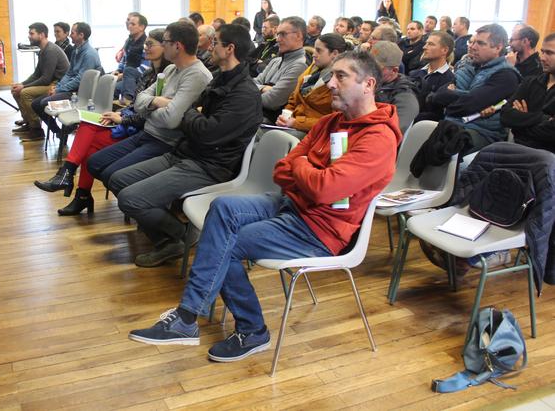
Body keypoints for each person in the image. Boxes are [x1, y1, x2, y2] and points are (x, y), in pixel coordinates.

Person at [127, 50, 401, 361]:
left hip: (320, 229)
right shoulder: (330, 122)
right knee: (223, 208)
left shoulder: (378, 138)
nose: (331, 83)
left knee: (225, 244)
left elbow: (326, 189)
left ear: (368, 84)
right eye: (332, 74)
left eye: (341, 76)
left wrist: (306, 169)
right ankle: (189, 318)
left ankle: (245, 328)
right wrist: (310, 171)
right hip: (292, 204)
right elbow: (281, 169)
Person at [111, 24, 262, 267]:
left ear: (230, 49)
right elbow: (190, 118)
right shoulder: (221, 79)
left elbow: (206, 131)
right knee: (118, 179)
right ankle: (170, 234)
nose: (210, 46)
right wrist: (190, 113)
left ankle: (177, 237)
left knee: (130, 198)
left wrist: (188, 112)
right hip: (187, 153)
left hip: (210, 167)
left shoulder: (243, 94)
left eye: (216, 43)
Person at [33, 29, 172, 215]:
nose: (145, 48)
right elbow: (137, 105)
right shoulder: (147, 75)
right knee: (89, 131)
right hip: (131, 126)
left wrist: (122, 118)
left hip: (143, 134)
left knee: (89, 137)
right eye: (145, 44)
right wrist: (120, 114)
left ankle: (70, 179)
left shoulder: (168, 77)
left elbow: (150, 113)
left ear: (165, 47)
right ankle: (78, 190)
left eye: (150, 44)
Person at [87, 21, 212, 190]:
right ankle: (132, 194)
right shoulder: (170, 70)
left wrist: (148, 108)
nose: (163, 45)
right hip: (147, 132)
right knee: (94, 163)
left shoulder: (197, 75)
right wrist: (157, 101)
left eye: (165, 42)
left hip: (166, 141)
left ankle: (135, 199)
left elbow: (171, 120)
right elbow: (139, 100)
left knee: (112, 175)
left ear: (177, 46)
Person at [429, 24, 520, 154]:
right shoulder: (469, 67)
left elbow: (469, 104)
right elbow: (440, 95)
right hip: (454, 124)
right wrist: (466, 96)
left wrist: (453, 99)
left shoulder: (506, 75)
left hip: (482, 133)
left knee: (447, 146)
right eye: (473, 42)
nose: (472, 47)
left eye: (480, 43)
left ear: (498, 48)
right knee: (423, 131)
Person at [28, 22, 102, 142]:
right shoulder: (76, 51)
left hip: (79, 93)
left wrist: (59, 89)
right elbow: (69, 73)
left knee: (43, 103)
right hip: (70, 89)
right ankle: (59, 132)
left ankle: (65, 130)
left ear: (81, 35)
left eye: (72, 33)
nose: (70, 35)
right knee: (36, 104)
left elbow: (80, 79)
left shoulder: (89, 54)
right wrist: (57, 86)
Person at [272, 33, 346, 137]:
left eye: (319, 51)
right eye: (315, 49)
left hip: (316, 133)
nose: (313, 54)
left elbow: (335, 120)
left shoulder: (340, 82)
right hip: (292, 124)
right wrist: (285, 115)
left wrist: (297, 123)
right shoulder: (312, 68)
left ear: (334, 53)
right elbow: (293, 99)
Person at [11, 23, 70, 140]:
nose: (29, 36)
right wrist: (21, 84)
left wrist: (24, 87)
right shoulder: (43, 49)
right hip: (51, 83)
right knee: (15, 90)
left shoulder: (50, 50)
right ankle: (29, 124)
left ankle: (37, 129)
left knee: (25, 93)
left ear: (42, 35)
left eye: (32, 33)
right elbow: (37, 74)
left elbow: (46, 79)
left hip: (57, 85)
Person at [501, 32, 555, 152]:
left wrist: (520, 124)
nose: (542, 57)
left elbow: (552, 134)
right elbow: (505, 115)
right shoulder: (531, 82)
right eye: (542, 51)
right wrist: (544, 119)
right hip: (518, 149)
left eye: (550, 53)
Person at [253, 16, 308, 123]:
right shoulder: (275, 61)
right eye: (278, 34)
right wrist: (264, 88)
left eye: (283, 34)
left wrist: (244, 95)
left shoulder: (300, 66)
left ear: (298, 36)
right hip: (256, 115)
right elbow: (251, 83)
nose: (277, 39)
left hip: (268, 122)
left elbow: (272, 101)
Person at [371, 41, 419, 134]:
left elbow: (394, 131)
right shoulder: (372, 83)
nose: (370, 70)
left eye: (376, 68)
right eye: (368, 64)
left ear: (394, 70)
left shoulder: (405, 96)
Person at [411, 30, 456, 122]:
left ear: (444, 50)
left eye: (430, 44)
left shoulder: (450, 80)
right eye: (426, 43)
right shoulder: (414, 74)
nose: (424, 47)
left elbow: (436, 113)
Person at [114, 13, 148, 103]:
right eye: (129, 23)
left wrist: (123, 75)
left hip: (136, 78)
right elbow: (124, 59)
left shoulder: (146, 44)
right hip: (125, 75)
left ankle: (127, 103)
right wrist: (118, 70)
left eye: (133, 24)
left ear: (142, 27)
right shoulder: (129, 41)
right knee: (105, 80)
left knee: (114, 87)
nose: (129, 26)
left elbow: (145, 68)